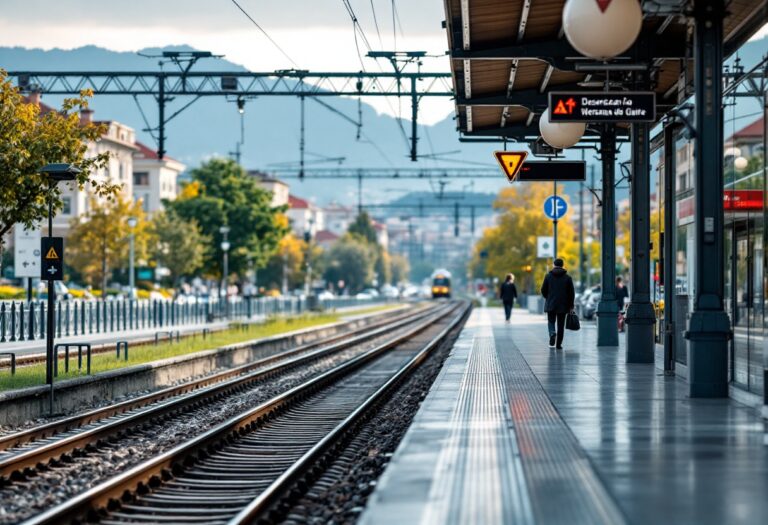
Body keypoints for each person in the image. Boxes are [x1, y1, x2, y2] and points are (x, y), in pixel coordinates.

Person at [541, 258, 575, 350]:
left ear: (554, 265)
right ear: (563, 265)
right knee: (561, 325)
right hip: (563, 305)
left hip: (551, 303)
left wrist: (548, 298)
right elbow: (571, 293)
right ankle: (558, 345)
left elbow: (543, 290)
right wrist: (571, 305)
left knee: (551, 321)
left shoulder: (548, 276)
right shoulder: (568, 278)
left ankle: (552, 333)